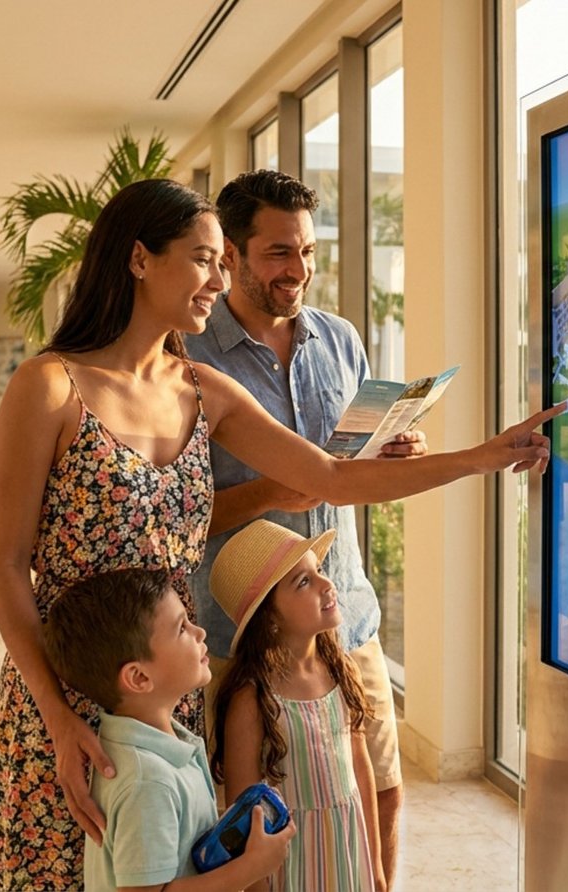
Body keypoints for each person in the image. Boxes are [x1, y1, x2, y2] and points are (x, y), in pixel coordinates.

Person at [0, 176, 559, 889]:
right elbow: (7, 566)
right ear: (138, 259)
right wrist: (57, 720)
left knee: (173, 867)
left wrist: (482, 456)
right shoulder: (51, 386)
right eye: (203, 260)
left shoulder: (206, 390)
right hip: (67, 691)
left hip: (171, 691)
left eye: (224, 262)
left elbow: (334, 478)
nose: (219, 280)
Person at [182, 169, 407, 885]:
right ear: (233, 257)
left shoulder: (339, 341)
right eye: (280, 252)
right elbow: (178, 518)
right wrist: (272, 489)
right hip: (236, 631)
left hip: (345, 618)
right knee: (254, 813)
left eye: (308, 251)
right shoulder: (188, 359)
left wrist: (395, 455)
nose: (299, 270)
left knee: (381, 788)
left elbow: (349, 474)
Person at [39, 567, 295, 891]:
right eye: (181, 629)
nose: (199, 633)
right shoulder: (148, 782)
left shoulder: (160, 747)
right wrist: (250, 869)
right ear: (139, 678)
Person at [208, 520, 383, 892]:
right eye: (303, 582)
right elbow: (245, 811)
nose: (326, 584)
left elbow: (361, 769)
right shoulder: (252, 699)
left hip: (349, 847)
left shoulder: (340, 668)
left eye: (318, 571)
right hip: (292, 864)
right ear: (269, 618)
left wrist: (377, 865)